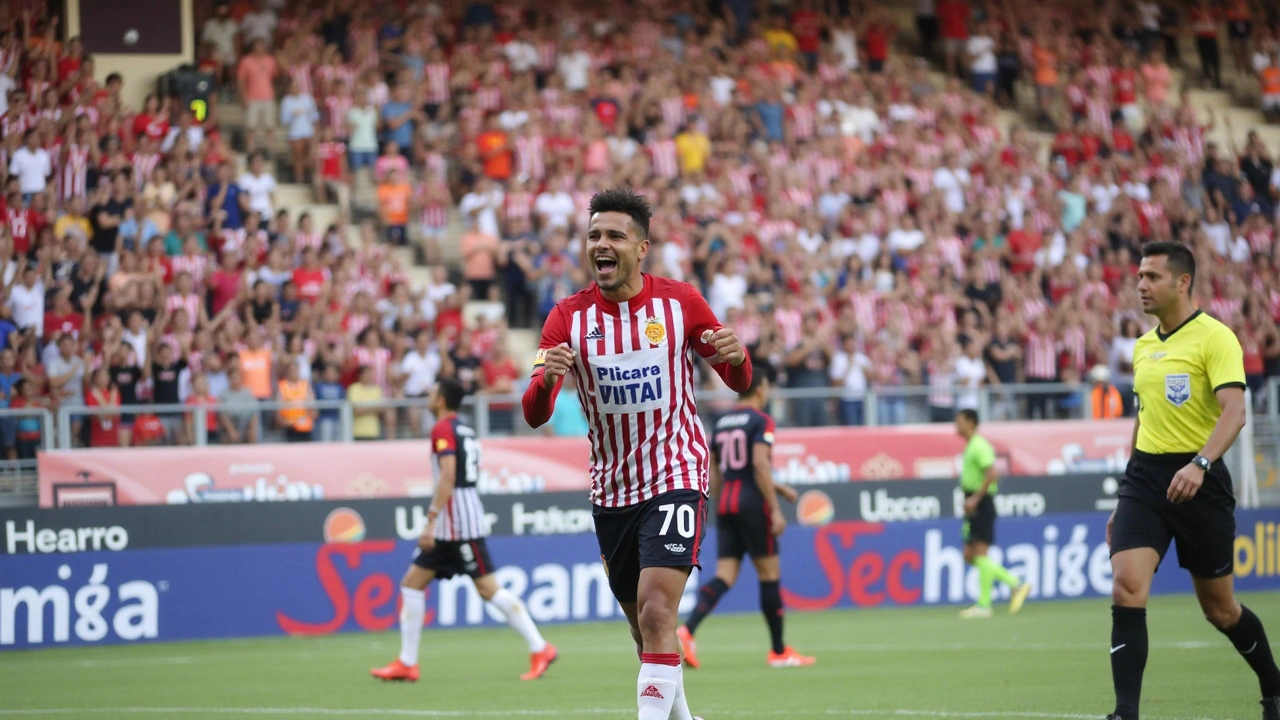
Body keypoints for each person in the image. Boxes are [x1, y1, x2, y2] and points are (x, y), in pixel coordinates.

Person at [523, 187, 753, 720]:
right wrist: (546, 381)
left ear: (641, 247)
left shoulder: (680, 302)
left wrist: (739, 359)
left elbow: (737, 378)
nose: (600, 245)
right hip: (613, 489)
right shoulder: (567, 319)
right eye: (593, 236)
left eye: (614, 236)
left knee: (656, 609)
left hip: (676, 469)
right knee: (646, 627)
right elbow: (535, 412)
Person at [1106, 242, 1280, 720]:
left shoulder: (1215, 338)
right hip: (1145, 478)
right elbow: (1144, 419)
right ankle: (1125, 713)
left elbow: (1236, 411)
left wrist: (1200, 464)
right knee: (1126, 586)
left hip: (1200, 478)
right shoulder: (1143, 347)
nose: (1141, 285)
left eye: (1152, 277)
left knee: (1220, 610)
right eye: (1139, 276)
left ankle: (1274, 685)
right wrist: (1125, 493)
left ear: (1182, 282)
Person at [372, 378, 557, 683]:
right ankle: (407, 662)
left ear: (441, 399)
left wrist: (430, 519)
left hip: (457, 524)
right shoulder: (466, 429)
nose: (430, 396)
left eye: (433, 392)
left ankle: (540, 647)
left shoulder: (442, 429)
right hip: (456, 519)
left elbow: (448, 476)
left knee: (488, 589)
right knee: (411, 583)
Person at [676, 363, 811, 669]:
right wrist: (774, 508)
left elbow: (720, 470)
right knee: (769, 575)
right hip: (752, 505)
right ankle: (778, 651)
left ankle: (687, 630)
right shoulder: (761, 420)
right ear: (761, 389)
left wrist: (720, 503)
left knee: (725, 575)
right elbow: (759, 465)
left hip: (726, 504)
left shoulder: (722, 422)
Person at [953, 408, 1032, 619]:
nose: (956, 426)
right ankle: (998, 594)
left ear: (971, 422)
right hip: (974, 502)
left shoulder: (979, 445)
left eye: (959, 422)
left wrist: (975, 499)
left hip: (981, 503)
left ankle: (995, 597)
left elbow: (992, 473)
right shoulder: (972, 446)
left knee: (978, 553)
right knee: (970, 555)